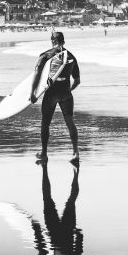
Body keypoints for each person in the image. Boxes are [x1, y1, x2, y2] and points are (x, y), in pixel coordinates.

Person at [30, 32, 81, 163]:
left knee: (45, 123)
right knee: (70, 122)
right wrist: (68, 91)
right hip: (65, 94)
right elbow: (77, 81)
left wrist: (33, 94)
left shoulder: (46, 55)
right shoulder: (71, 56)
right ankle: (75, 153)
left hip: (51, 93)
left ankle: (44, 154)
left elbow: (37, 74)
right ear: (63, 41)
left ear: (52, 41)